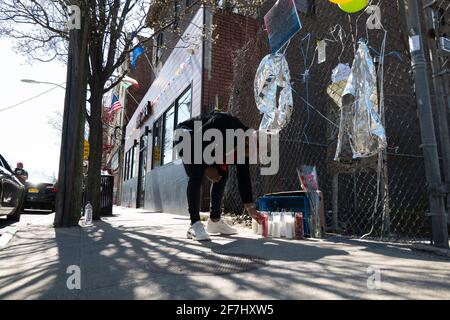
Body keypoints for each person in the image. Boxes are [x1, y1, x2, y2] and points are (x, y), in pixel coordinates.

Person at [175, 112, 262, 241]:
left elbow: (243, 176)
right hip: (188, 138)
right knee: (196, 174)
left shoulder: (245, 148)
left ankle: (215, 221)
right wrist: (206, 168)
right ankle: (195, 224)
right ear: (248, 139)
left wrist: (250, 207)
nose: (244, 155)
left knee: (222, 174)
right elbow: (195, 143)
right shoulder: (223, 122)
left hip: (209, 146)